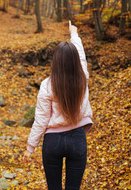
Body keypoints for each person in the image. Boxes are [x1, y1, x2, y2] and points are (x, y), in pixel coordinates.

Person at [23, 21, 93, 190]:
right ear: (76, 61)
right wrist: (74, 34)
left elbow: (41, 119)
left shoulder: (47, 85)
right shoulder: (82, 77)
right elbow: (81, 55)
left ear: (56, 61)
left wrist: (30, 147)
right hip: (77, 139)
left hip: (52, 142)